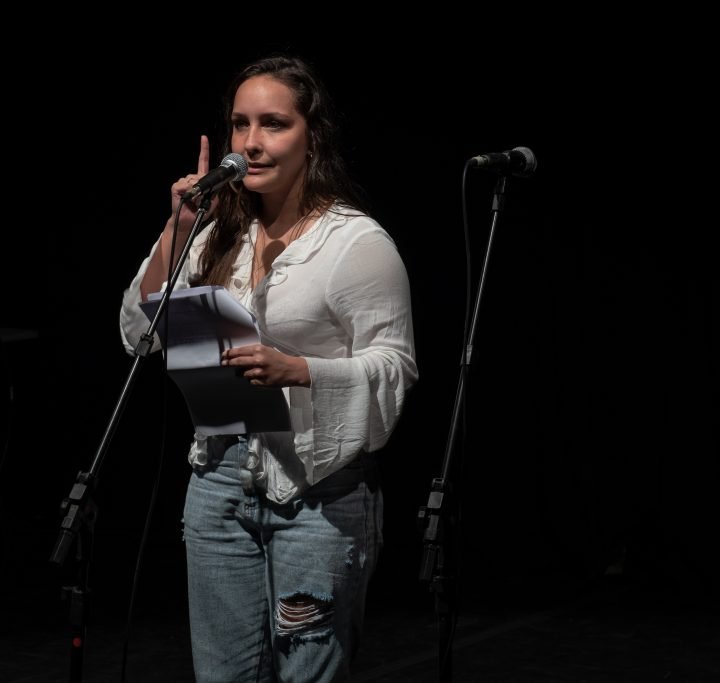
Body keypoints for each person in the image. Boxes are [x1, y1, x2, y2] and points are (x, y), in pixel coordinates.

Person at [119, 54, 418, 682]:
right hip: (218, 484)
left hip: (314, 493)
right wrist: (176, 229)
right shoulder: (210, 230)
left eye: (274, 124)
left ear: (314, 136)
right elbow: (140, 333)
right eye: (239, 124)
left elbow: (395, 367)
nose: (251, 144)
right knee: (222, 676)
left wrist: (299, 369)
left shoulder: (355, 245)